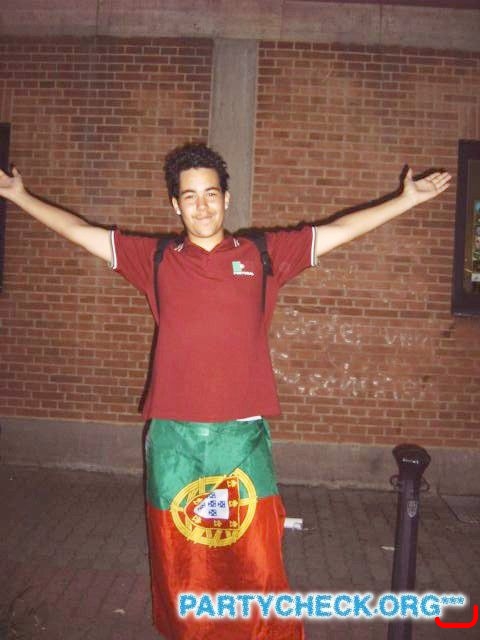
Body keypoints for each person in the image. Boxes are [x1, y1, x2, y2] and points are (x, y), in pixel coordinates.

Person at [0, 144, 451, 639]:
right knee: (182, 561)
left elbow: (338, 231)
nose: (202, 206)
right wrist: (20, 196)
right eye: (190, 196)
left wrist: (405, 201)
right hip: (174, 440)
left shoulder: (262, 254)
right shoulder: (154, 259)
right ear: (175, 204)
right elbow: (79, 230)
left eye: (211, 194)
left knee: (255, 559)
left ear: (226, 198)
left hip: (240, 440)